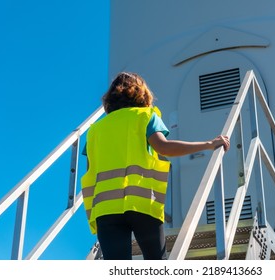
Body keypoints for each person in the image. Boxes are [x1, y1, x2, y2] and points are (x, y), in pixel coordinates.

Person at [81, 71, 230, 260]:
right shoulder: (145, 116)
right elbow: (164, 148)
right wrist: (208, 144)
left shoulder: (95, 131)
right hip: (142, 204)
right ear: (141, 93)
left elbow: (90, 171)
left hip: (106, 210)